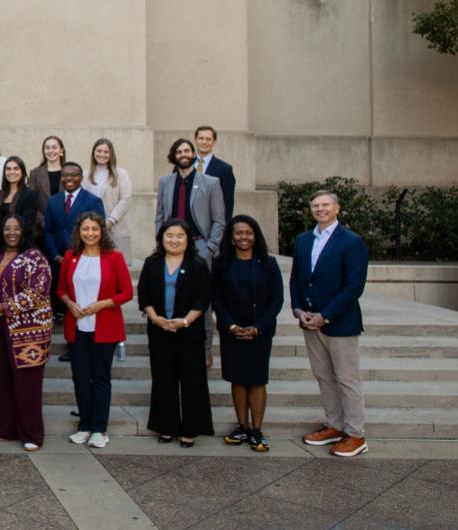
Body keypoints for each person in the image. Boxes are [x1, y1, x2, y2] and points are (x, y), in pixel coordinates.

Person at [291, 189, 370, 457]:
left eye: (325, 205)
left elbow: (353, 287)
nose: (320, 209)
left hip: (340, 323)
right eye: (316, 205)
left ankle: (356, 434)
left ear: (336, 208)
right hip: (309, 322)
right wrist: (299, 309)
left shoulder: (351, 241)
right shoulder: (303, 241)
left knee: (347, 380)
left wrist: (325, 315)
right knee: (324, 377)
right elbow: (296, 279)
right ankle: (335, 425)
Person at [59, 212, 132, 449]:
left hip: (105, 328)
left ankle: (100, 429)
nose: (90, 233)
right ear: (78, 232)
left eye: (94, 229)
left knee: (100, 378)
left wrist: (102, 304)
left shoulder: (114, 257)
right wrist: (70, 305)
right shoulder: (70, 257)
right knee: (80, 377)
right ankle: (84, 425)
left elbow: (127, 292)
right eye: (85, 229)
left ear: (102, 231)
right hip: (77, 326)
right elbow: (60, 290)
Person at [137, 219, 214, 446]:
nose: (174, 240)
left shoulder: (198, 264)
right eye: (169, 235)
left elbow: (203, 298)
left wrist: (184, 321)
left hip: (189, 333)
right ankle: (166, 427)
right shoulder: (152, 263)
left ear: (187, 239)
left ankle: (190, 430)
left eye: (179, 236)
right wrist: (154, 317)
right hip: (159, 331)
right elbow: (144, 294)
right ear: (162, 238)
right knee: (163, 380)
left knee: (192, 382)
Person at [0, 215, 52, 451]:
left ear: (24, 231)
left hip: (27, 330)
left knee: (27, 384)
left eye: (17, 228)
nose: (12, 232)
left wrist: (6, 307)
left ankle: (32, 434)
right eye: (7, 228)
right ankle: (4, 429)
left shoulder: (35, 257)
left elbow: (38, 291)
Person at [154, 137, 226, 365]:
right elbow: (160, 216)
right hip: (170, 247)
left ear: (193, 155)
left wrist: (210, 248)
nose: (183, 154)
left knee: (201, 302)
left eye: (187, 150)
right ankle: (170, 344)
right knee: (171, 296)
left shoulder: (211, 182)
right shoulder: (165, 182)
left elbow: (219, 220)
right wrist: (160, 243)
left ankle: (205, 350)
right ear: (173, 156)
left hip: (199, 248)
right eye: (179, 151)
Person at [215, 215, 283, 453]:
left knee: (256, 380)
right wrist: (231, 326)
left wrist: (257, 327)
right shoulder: (222, 263)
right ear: (231, 237)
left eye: (248, 233)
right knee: (237, 379)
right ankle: (241, 426)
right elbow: (217, 300)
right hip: (231, 331)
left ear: (255, 236)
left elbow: (277, 300)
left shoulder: (268, 263)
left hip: (260, 332)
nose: (243, 237)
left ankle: (256, 429)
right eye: (238, 233)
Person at [42, 161, 106, 328]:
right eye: (65, 176)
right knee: (62, 301)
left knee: (80, 302)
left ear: (81, 178)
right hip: (58, 259)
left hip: (83, 259)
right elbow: (48, 230)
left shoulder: (93, 201)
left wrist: (78, 254)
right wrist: (56, 255)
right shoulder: (53, 201)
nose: (69, 179)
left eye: (73, 175)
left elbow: (98, 231)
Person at [85, 138, 133, 260]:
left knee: (116, 265)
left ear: (111, 154)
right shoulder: (85, 175)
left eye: (106, 152)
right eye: (99, 151)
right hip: (92, 228)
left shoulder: (121, 174)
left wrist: (110, 220)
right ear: (93, 153)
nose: (102, 154)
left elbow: (125, 198)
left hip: (114, 227)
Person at [0, 156, 41, 248]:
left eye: (16, 169)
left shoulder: (31, 195)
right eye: (8, 169)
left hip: (23, 247)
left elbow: (26, 225)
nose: (12, 172)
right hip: (0, 247)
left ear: (22, 172)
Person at [194, 125, 236, 220]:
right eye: (201, 138)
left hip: (211, 223)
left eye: (208, 139)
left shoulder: (225, 169)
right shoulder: (183, 165)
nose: (204, 142)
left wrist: (222, 230)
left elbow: (227, 203)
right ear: (195, 140)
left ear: (214, 142)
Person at [28, 135, 68, 235]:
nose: (51, 151)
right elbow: (30, 202)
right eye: (47, 148)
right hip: (41, 230)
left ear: (61, 150)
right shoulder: (35, 173)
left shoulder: (69, 172)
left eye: (54, 147)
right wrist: (43, 221)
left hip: (66, 227)